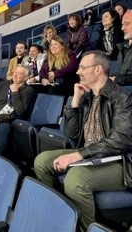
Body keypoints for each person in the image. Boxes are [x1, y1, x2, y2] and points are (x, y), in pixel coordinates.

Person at [34, 50, 132, 232]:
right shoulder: (87, 96)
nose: (78, 72)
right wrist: (76, 101)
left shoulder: (121, 97)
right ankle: (59, 214)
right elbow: (72, 135)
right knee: (41, 161)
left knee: (75, 181)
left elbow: (121, 140)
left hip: (119, 161)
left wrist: (78, 155)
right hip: (90, 153)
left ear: (98, 69)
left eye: (82, 67)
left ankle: (85, 228)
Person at [110, 9, 132, 85]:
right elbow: (120, 73)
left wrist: (117, 79)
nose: (122, 28)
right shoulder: (123, 47)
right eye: (122, 24)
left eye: (127, 23)